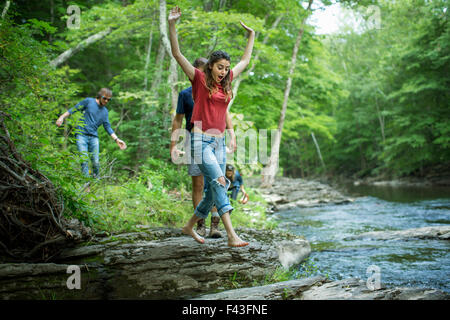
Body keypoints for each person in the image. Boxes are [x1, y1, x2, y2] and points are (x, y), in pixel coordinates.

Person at [168, 5, 255, 247]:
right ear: (210, 67)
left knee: (211, 190)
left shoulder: (226, 83)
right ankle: (231, 235)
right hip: (199, 140)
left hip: (218, 142)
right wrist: (172, 24)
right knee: (220, 182)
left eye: (227, 68)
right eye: (220, 67)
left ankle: (188, 226)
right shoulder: (198, 79)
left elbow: (246, 60)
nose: (224, 71)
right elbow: (177, 54)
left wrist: (252, 36)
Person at [171, 57, 235, 238]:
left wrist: (231, 132)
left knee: (215, 183)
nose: (203, 75)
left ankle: (215, 225)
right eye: (199, 72)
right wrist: (174, 144)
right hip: (196, 140)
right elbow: (177, 120)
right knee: (198, 184)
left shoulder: (217, 89)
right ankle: (200, 225)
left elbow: (224, 112)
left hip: (216, 139)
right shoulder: (185, 94)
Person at [56, 88, 126, 178]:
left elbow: (107, 126)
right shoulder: (89, 101)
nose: (106, 101)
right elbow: (74, 109)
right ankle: (86, 184)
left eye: (109, 99)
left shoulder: (105, 112)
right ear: (100, 96)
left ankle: (95, 183)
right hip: (81, 135)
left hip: (94, 138)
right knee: (84, 160)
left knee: (96, 162)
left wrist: (117, 139)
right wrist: (62, 117)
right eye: (105, 98)